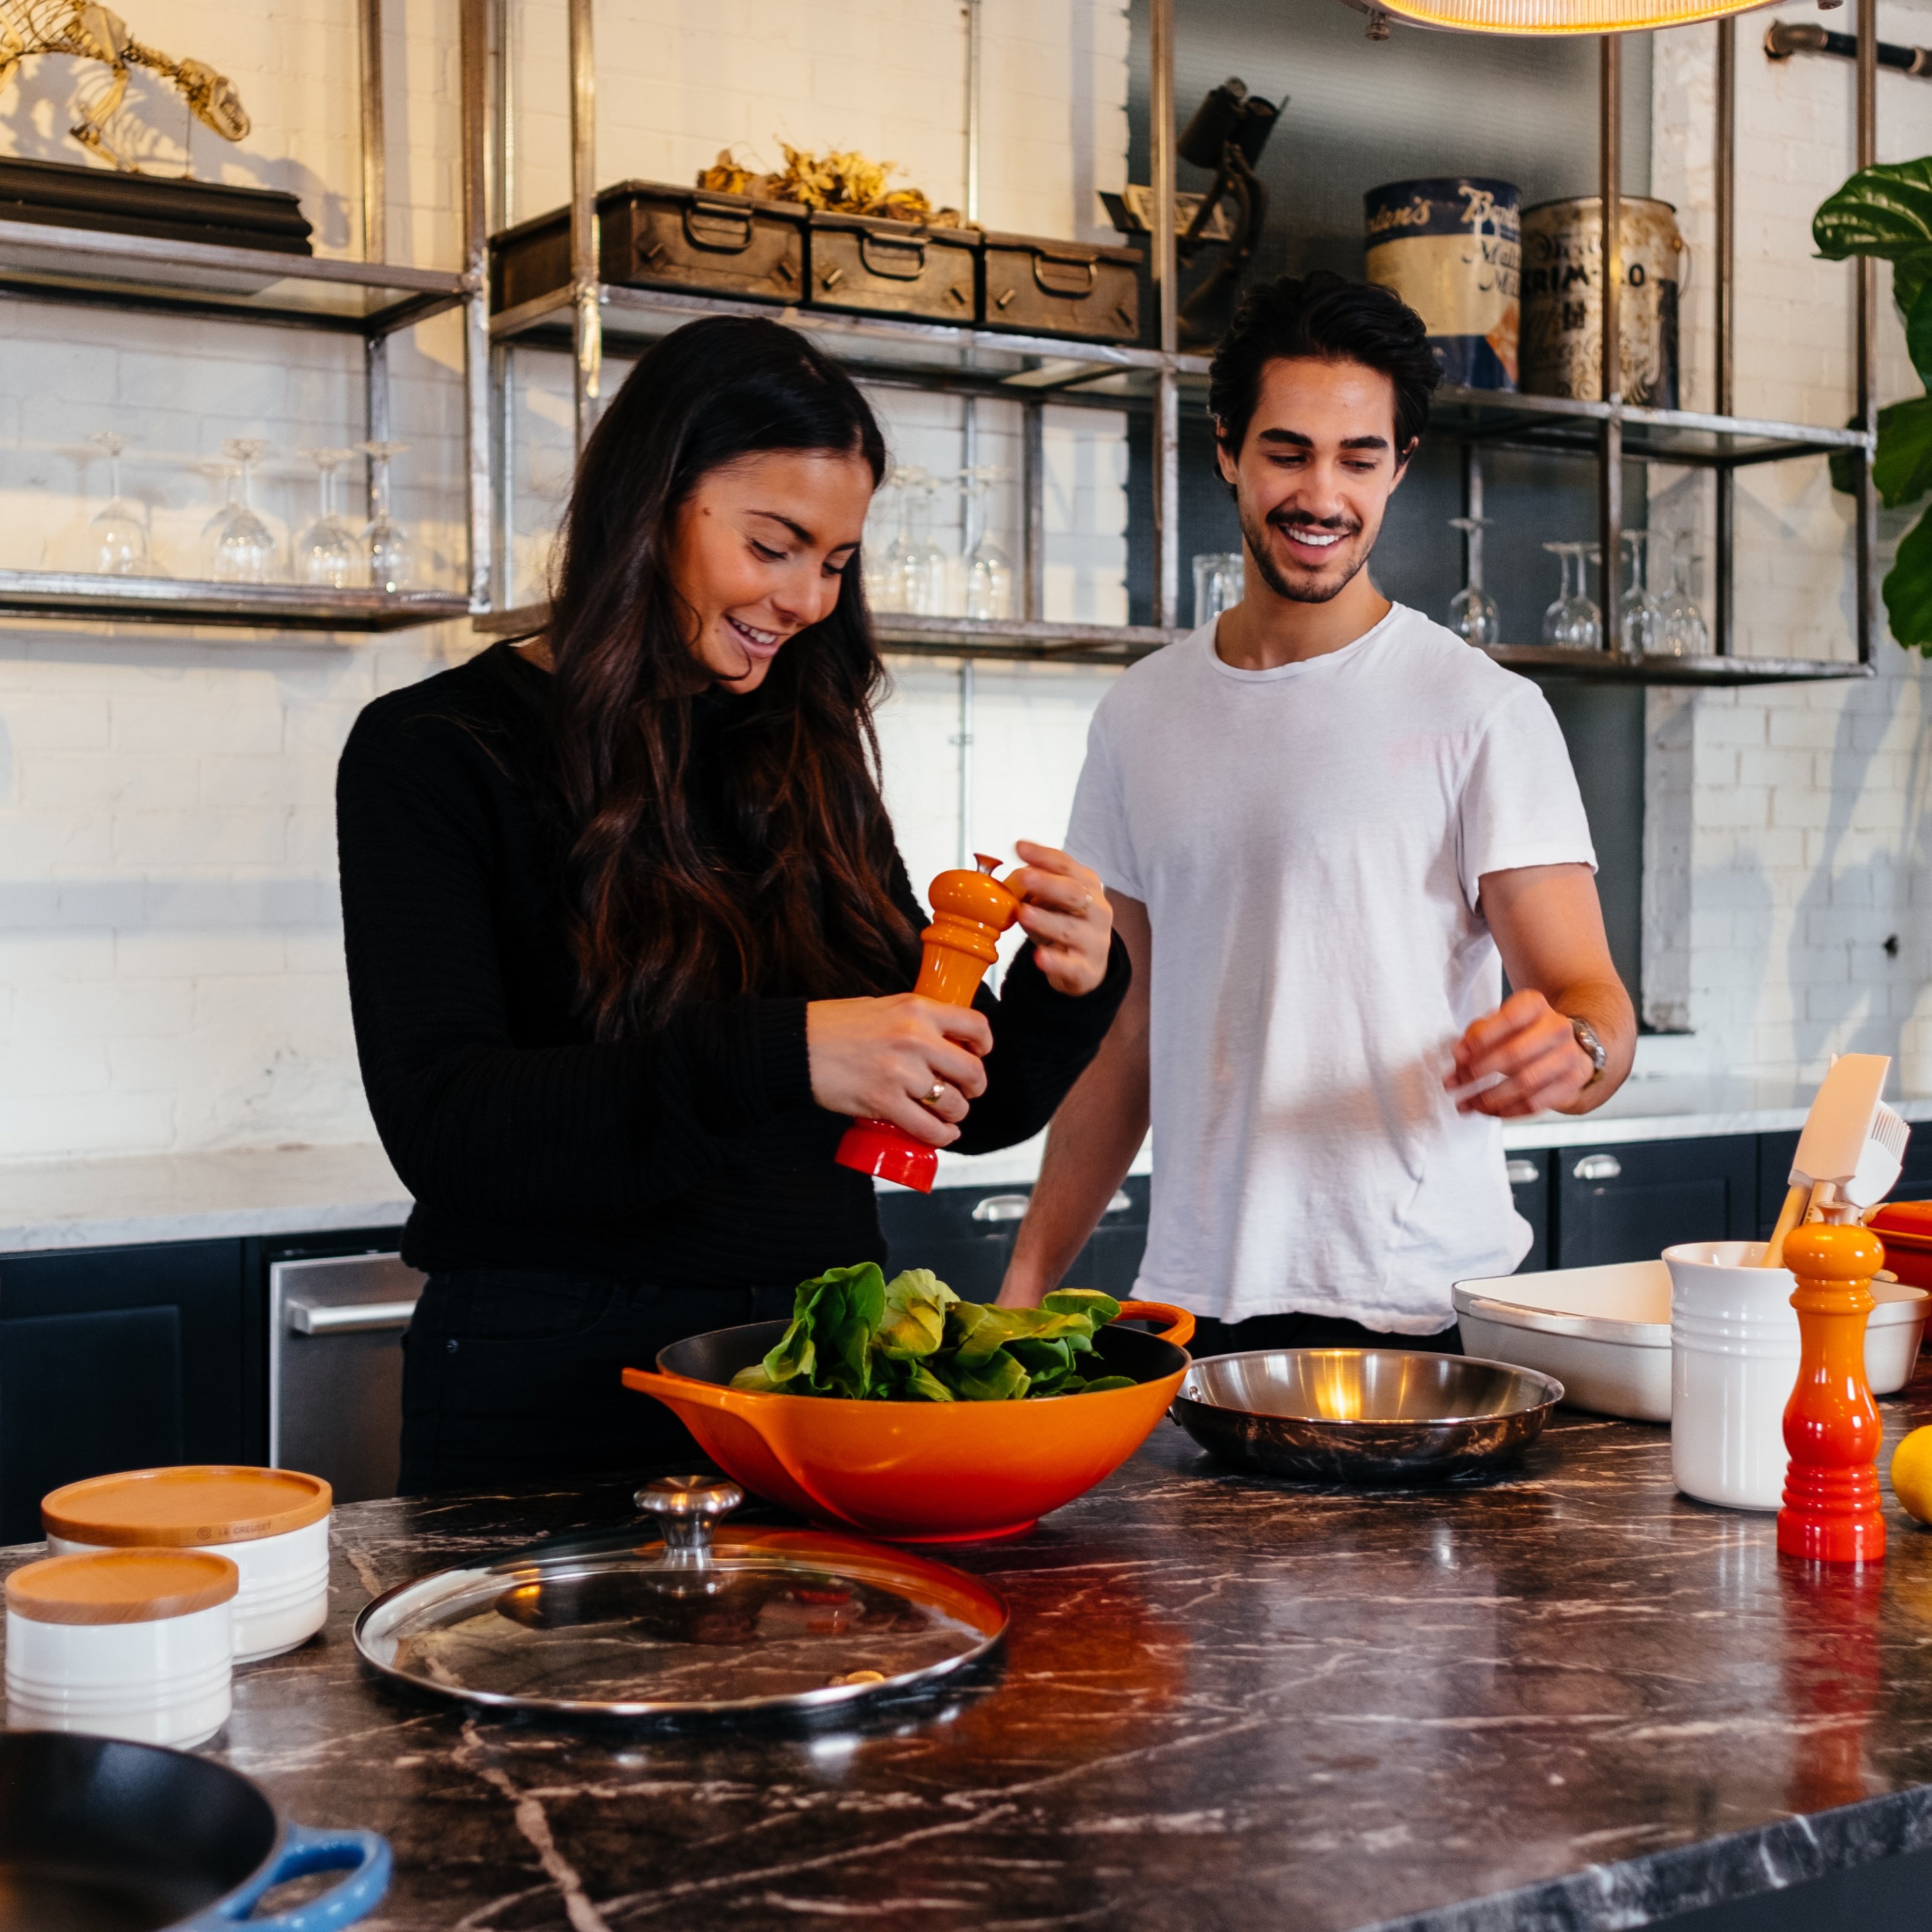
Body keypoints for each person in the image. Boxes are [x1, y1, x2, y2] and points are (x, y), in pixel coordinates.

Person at [337, 315, 1128, 1493]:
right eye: (776, 545)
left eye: (837, 561)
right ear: (654, 501)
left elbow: (947, 1108)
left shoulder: (806, 749)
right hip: (550, 1396)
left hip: (817, 1379)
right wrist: (789, 1055)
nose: (808, 598)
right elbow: (449, 1133)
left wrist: (1067, 987)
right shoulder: (434, 751)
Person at [997, 270, 1634, 1354]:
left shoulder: (1483, 710)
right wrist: (1020, 1293)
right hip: (1194, 1311)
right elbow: (1127, 1034)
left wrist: (1570, 1054)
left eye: (1359, 458)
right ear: (1227, 452)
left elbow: (1592, 1007)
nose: (1322, 495)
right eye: (1288, 452)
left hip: (1423, 1312)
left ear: (1401, 468)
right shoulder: (1143, 712)